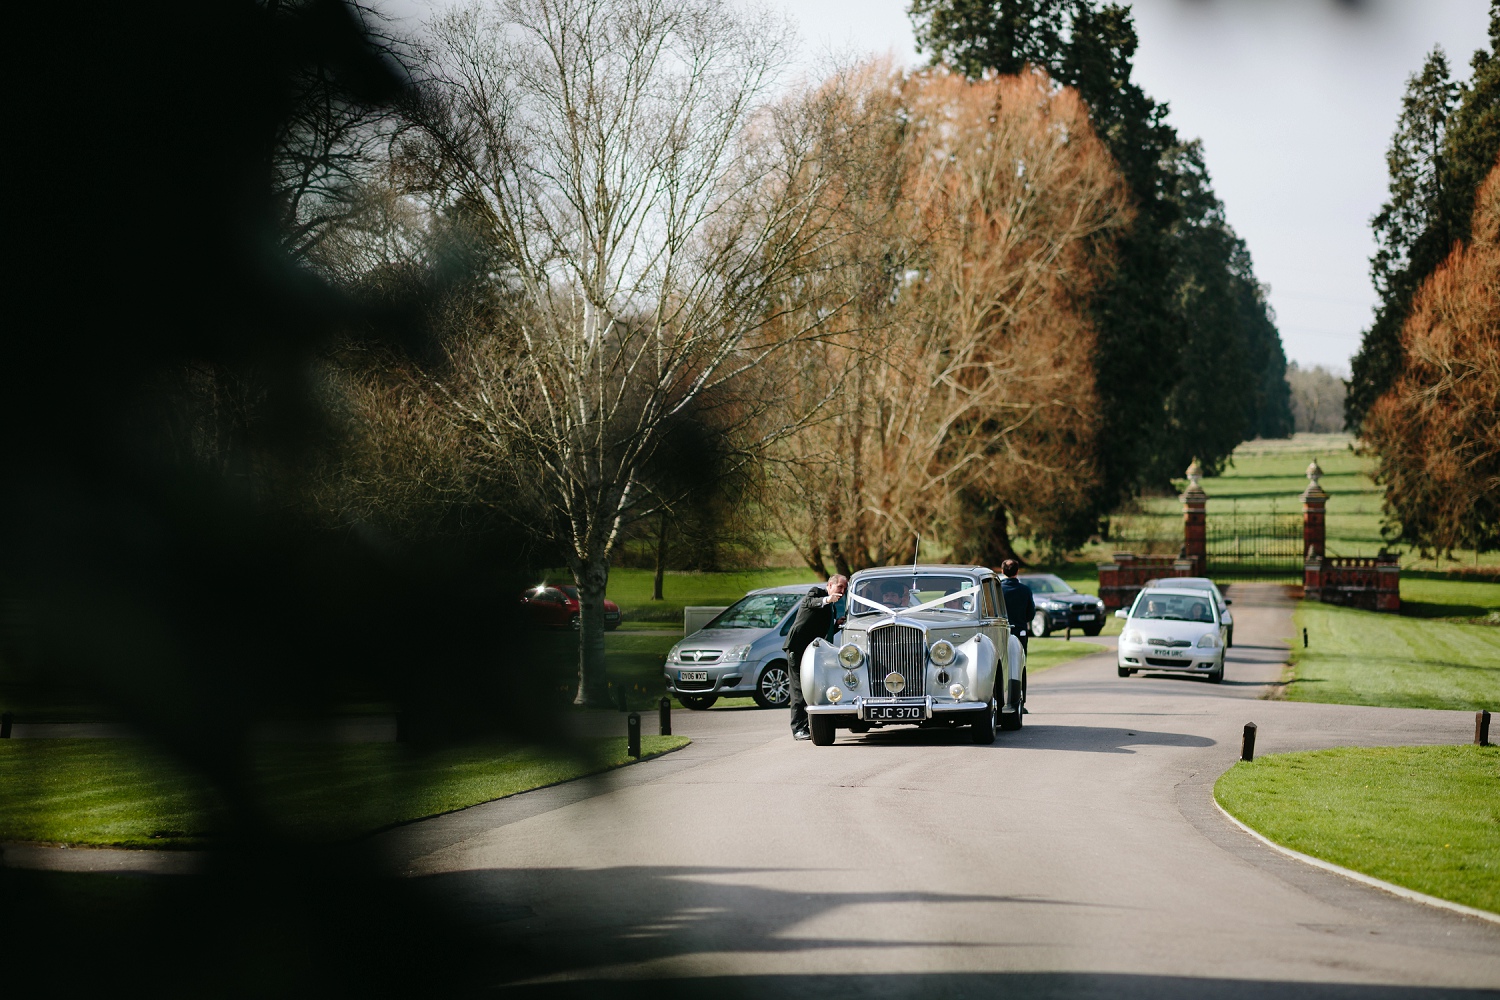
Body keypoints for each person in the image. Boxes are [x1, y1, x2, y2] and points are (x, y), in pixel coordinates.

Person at [783, 574, 848, 740]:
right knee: (799, 689)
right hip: (797, 649)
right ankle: (798, 729)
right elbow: (811, 603)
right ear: (830, 585)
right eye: (840, 587)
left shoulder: (831, 606)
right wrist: (827, 599)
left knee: (812, 688)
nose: (842, 591)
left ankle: (807, 727)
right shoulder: (816, 593)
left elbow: (820, 628)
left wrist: (837, 625)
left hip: (811, 652)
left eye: (844, 588)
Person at [998, 559, 1034, 653]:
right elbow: (1030, 614)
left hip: (1000, 632)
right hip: (1019, 630)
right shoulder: (1025, 590)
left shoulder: (997, 590)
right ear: (1017, 571)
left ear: (1002, 571)